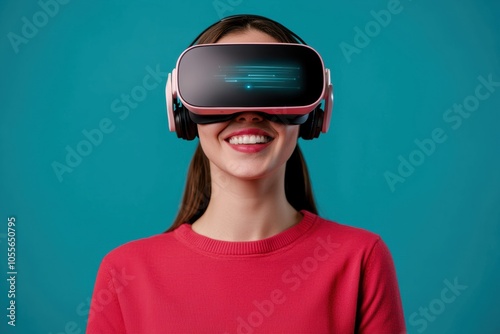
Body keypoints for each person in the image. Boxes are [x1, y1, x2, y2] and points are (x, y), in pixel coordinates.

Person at [87, 15, 406, 334]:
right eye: (224, 90)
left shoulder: (362, 258)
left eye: (273, 87)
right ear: (181, 111)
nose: (249, 114)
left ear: (315, 113)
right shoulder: (125, 272)